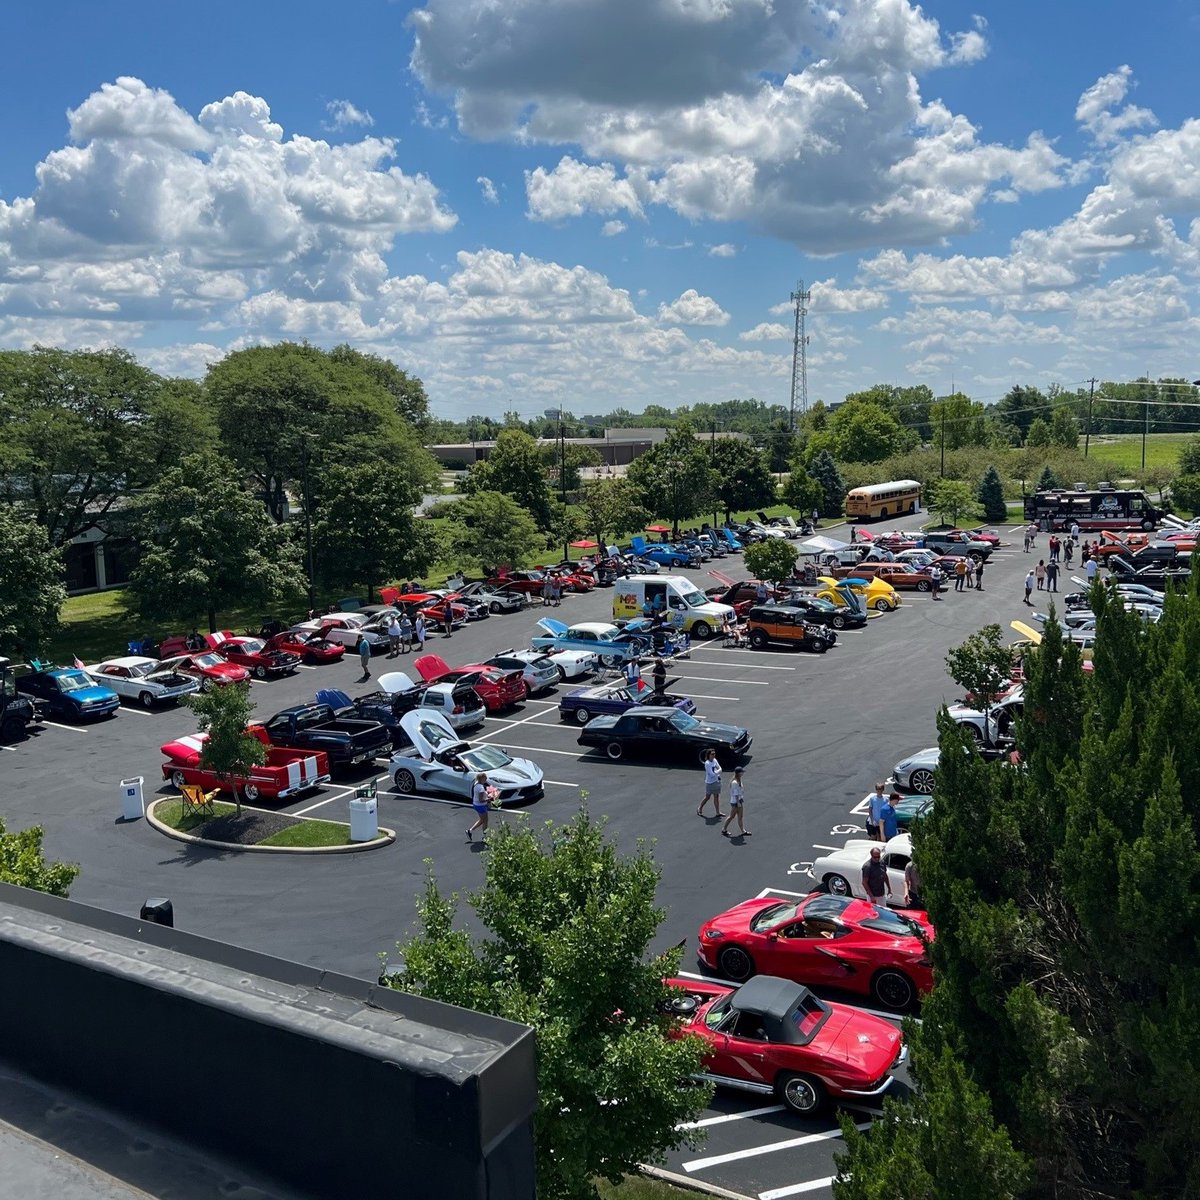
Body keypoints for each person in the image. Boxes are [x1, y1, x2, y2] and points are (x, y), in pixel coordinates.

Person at [722, 768, 750, 837]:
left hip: (739, 800)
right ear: (738, 773)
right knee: (732, 816)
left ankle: (743, 831)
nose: (743, 773)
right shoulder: (734, 782)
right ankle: (724, 829)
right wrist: (738, 803)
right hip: (735, 802)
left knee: (740, 816)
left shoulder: (739, 780)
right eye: (742, 772)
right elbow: (736, 794)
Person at [698, 749, 723, 818]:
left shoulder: (715, 760)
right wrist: (717, 772)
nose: (713, 755)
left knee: (716, 797)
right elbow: (712, 774)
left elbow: (720, 768)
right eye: (712, 754)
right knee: (707, 797)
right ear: (708, 755)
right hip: (710, 783)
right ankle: (699, 808)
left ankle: (718, 812)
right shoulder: (707, 763)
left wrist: (716, 772)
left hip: (716, 781)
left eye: (714, 754)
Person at [466, 771, 490, 841]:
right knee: (485, 821)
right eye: (485, 779)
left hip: (476, 804)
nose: (485, 780)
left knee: (482, 820)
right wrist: (488, 799)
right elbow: (481, 800)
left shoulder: (476, 784)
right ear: (481, 779)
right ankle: (484, 837)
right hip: (481, 806)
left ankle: (470, 831)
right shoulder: (481, 788)